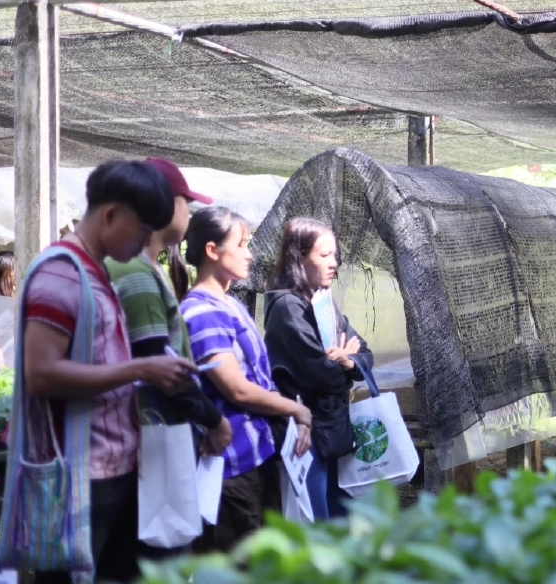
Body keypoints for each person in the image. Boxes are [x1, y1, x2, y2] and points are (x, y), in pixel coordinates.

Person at [7, 160, 197, 584]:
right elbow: (42, 372)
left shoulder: (92, 273)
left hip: (108, 471)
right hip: (79, 477)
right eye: (143, 229)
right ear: (112, 215)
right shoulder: (61, 274)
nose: (143, 244)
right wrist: (140, 368)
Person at [180, 206, 311, 551]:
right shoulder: (201, 312)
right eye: (241, 244)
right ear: (212, 250)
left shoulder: (230, 304)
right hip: (230, 468)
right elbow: (236, 388)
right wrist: (296, 410)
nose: (249, 253)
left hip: (256, 456)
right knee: (235, 569)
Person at [105, 158, 232, 481]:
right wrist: (214, 419)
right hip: (149, 437)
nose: (189, 213)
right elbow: (157, 364)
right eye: (185, 203)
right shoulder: (134, 271)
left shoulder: (144, 267)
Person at [264, 218, 373, 521]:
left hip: (333, 429)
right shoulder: (287, 306)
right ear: (299, 256)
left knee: (339, 518)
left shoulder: (321, 299)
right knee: (316, 521)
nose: (334, 263)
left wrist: (349, 360)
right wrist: (345, 365)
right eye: (325, 256)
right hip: (306, 433)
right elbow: (320, 374)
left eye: (335, 255)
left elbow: (364, 353)